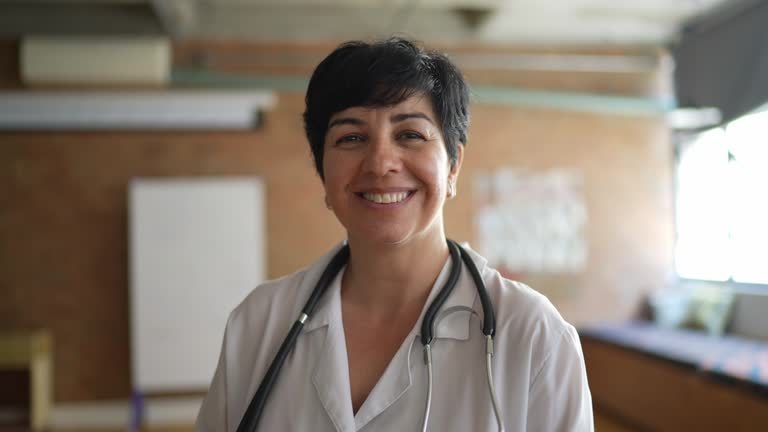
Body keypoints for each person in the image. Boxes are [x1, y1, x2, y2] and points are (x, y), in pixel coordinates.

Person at [196, 37, 593, 432]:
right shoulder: (258, 323)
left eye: (410, 135)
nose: (381, 162)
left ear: (453, 165)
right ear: (323, 171)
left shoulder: (534, 336)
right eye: (351, 138)